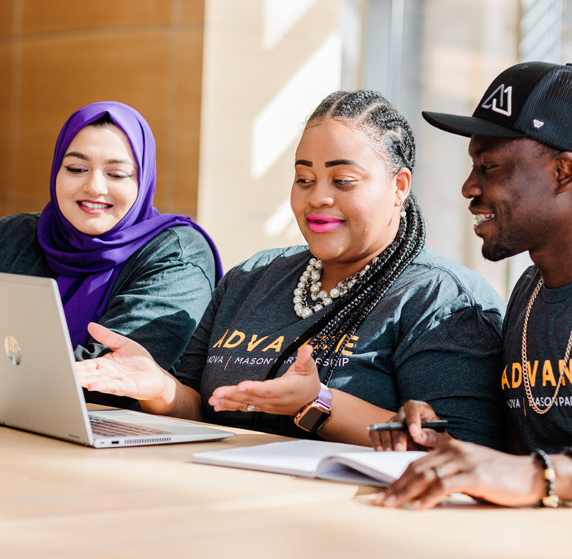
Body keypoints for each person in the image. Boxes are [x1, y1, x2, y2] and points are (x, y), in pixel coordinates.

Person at [76, 91, 506, 447]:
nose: (318, 197)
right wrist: (158, 388)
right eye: (304, 179)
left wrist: (319, 403)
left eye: (342, 181)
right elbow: (201, 411)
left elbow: (464, 451)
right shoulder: (251, 277)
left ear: (399, 187)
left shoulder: (441, 299)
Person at [373, 61, 572, 509]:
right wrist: (441, 438)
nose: (468, 187)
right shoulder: (530, 290)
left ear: (564, 171)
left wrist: (536, 477)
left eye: (490, 166)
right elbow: (527, 448)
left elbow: (533, 469)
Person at [0, 101, 222, 409]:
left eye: (116, 174)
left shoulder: (176, 253)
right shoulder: (13, 234)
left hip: (117, 442)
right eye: (77, 169)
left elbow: (108, 373)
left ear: (142, 181)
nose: (94, 186)